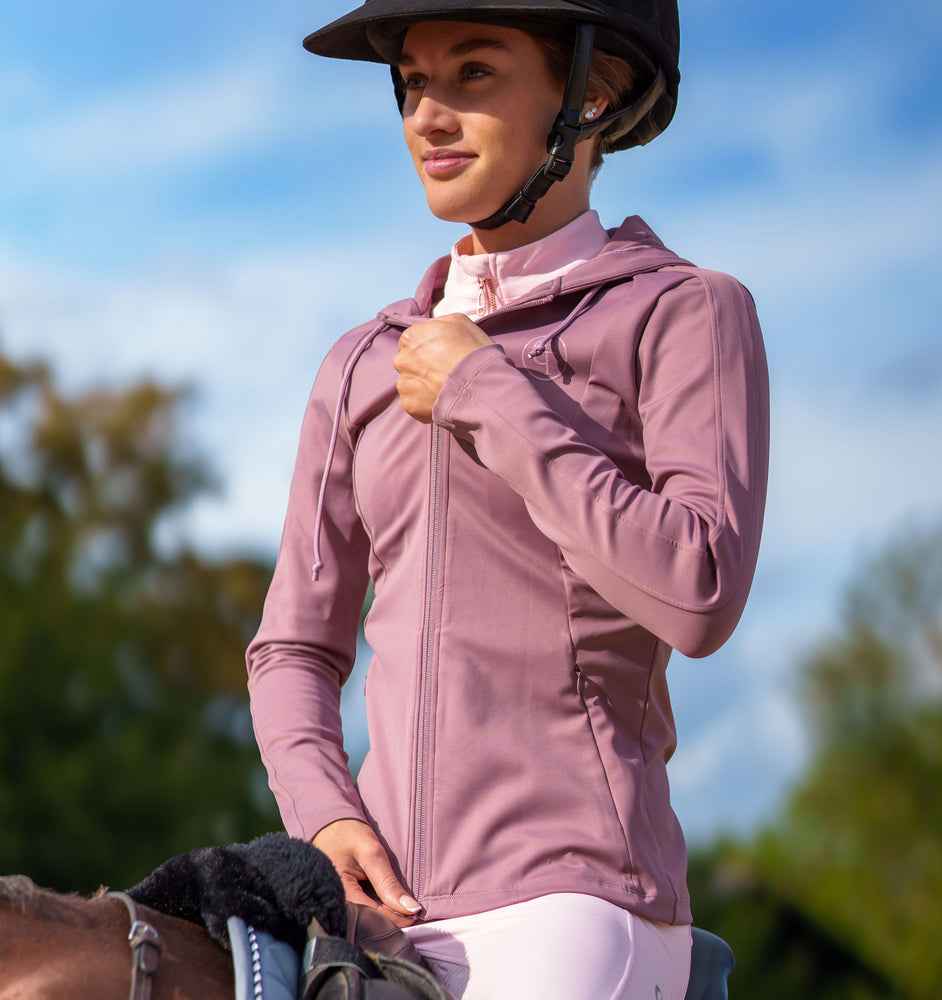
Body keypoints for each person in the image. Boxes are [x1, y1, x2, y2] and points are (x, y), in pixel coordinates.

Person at [246, 2, 769, 997]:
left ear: (590, 91)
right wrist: (325, 815)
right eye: (411, 81)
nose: (428, 115)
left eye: (474, 73)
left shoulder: (686, 311)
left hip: (574, 908)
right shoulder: (360, 362)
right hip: (382, 911)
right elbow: (294, 648)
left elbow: (700, 589)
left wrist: (490, 393)